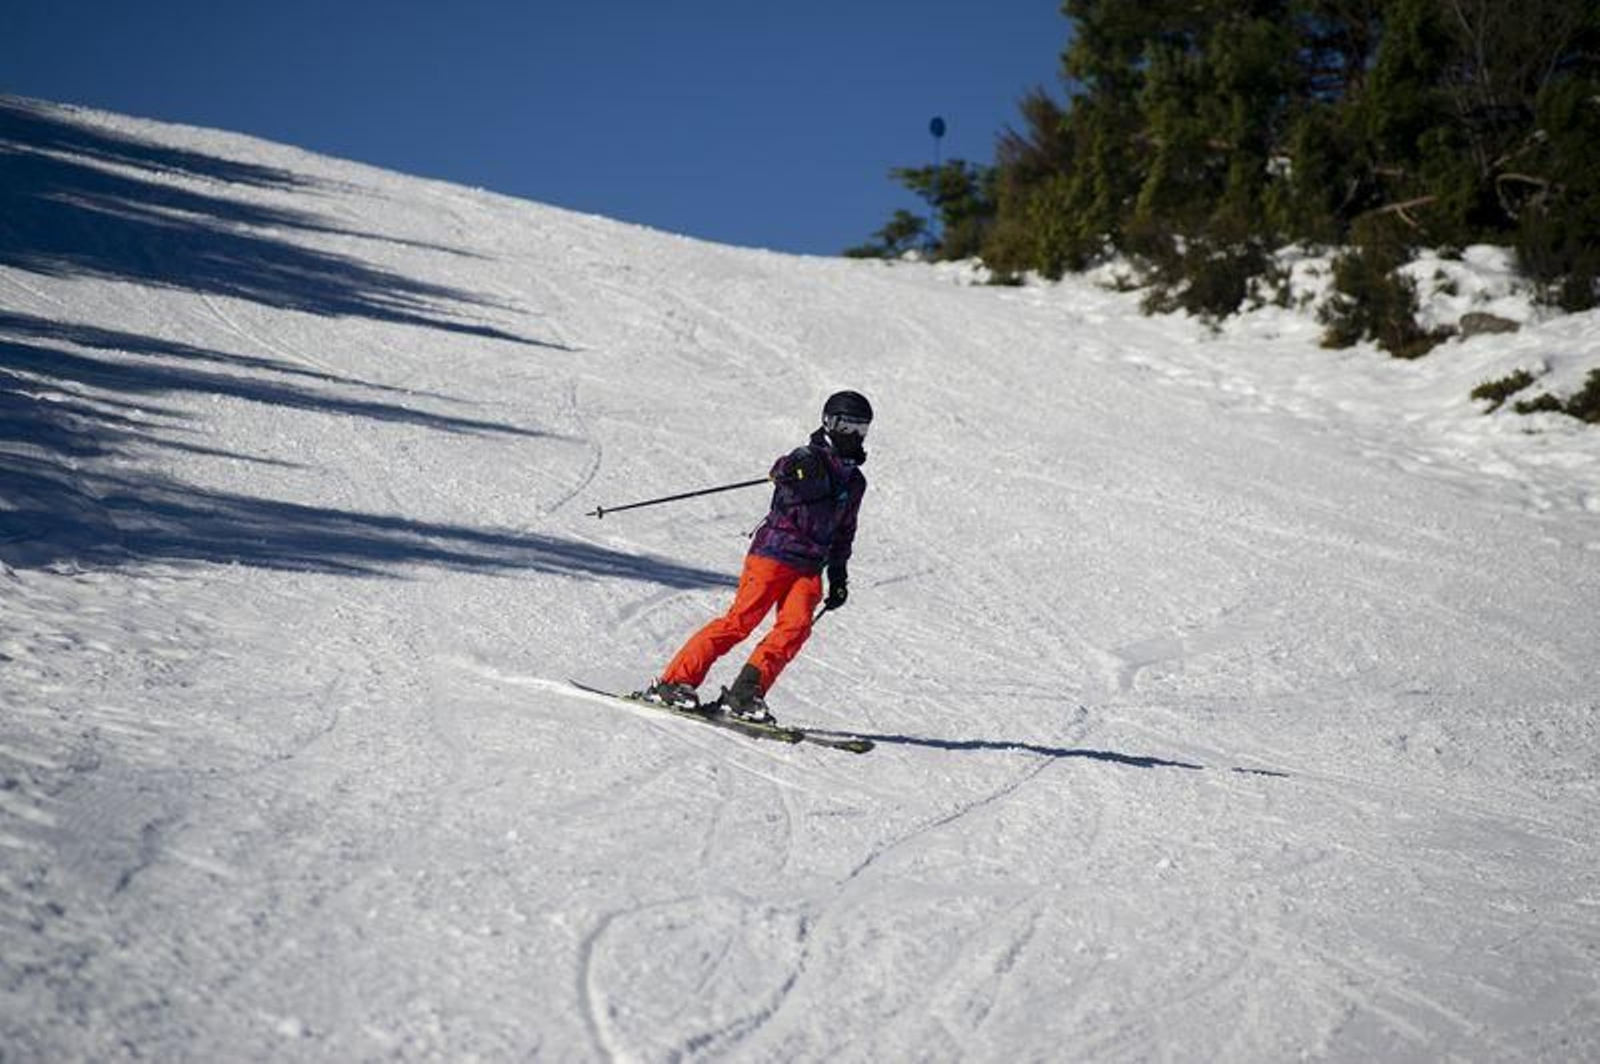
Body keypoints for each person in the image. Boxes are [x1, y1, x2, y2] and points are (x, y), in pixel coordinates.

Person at [644, 390, 873, 724]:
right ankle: (674, 683)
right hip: (774, 555)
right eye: (846, 426)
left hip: (810, 567)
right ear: (828, 422)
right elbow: (783, 467)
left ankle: (745, 693)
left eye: (861, 429)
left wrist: (838, 574)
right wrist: (794, 469)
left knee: (795, 629)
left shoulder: (855, 481)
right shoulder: (809, 457)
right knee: (740, 622)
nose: (853, 436)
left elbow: (844, 530)